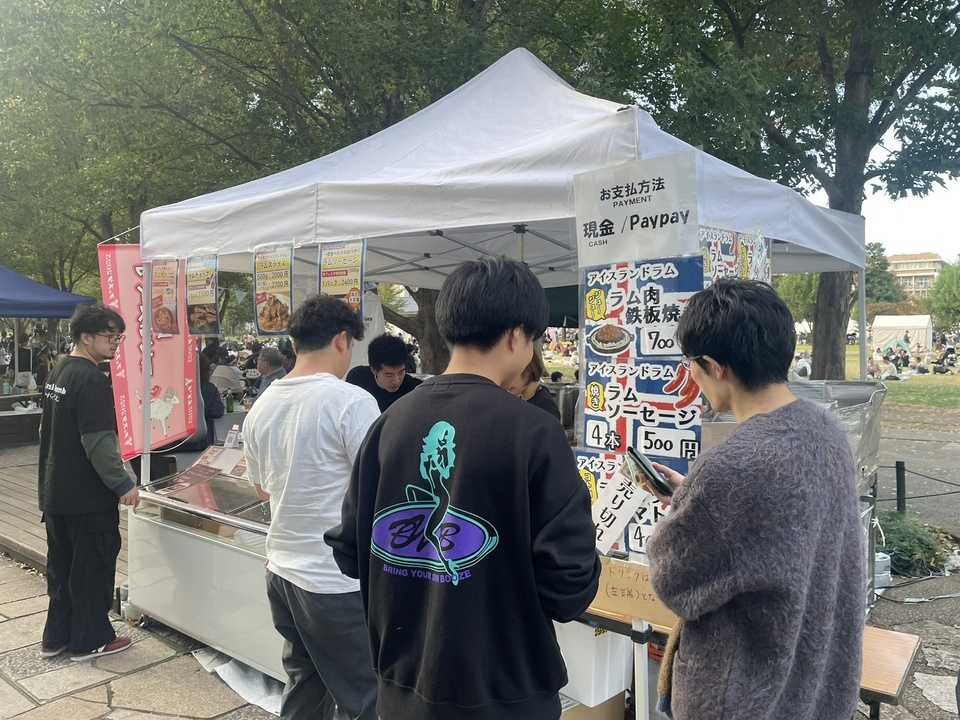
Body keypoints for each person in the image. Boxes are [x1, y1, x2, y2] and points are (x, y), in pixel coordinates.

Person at [325, 257, 600, 720]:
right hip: (505, 694)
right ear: (517, 335)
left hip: (403, 689)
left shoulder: (388, 424)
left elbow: (350, 552)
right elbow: (569, 587)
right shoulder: (535, 432)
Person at [637, 280, 863, 720]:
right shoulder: (828, 432)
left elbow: (674, 580)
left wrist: (690, 506)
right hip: (816, 685)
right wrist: (690, 496)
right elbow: (778, 532)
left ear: (713, 366)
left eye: (692, 365)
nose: (692, 376)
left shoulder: (732, 467)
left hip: (745, 697)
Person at [243, 295, 380, 720]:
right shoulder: (351, 401)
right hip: (334, 581)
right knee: (368, 696)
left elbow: (262, 490)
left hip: (282, 572)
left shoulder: (262, 405)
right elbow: (378, 490)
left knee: (306, 682)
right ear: (342, 340)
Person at [37, 305, 139, 662]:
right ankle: (90, 639)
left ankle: (56, 638)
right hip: (87, 497)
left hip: (56, 493)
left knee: (61, 570)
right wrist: (123, 484)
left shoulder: (59, 370)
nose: (115, 344)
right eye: (110, 336)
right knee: (92, 570)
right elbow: (98, 442)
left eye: (118, 337)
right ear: (85, 337)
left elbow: (45, 431)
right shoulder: (92, 379)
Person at [345, 333, 422, 412]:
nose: (396, 381)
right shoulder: (357, 379)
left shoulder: (415, 389)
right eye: (389, 375)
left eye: (401, 372)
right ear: (373, 370)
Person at [508, 347, 561, 421]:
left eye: (510, 375)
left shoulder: (546, 408)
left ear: (528, 371)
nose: (505, 381)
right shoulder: (522, 398)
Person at [199, 354, 225, 447]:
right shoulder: (209, 388)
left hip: (171, 444)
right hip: (201, 442)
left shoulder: (172, 388)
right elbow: (217, 412)